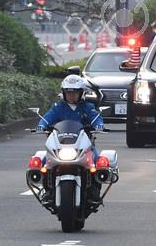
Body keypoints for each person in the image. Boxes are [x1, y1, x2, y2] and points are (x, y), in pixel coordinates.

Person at [37, 75, 105, 205]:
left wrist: (99, 125)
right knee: (45, 163)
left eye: (75, 92)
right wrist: (41, 125)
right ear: (63, 93)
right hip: (61, 144)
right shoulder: (58, 107)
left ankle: (95, 192)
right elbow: (48, 117)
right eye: (68, 92)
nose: (71, 95)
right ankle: (48, 191)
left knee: (97, 162)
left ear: (82, 93)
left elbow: (95, 117)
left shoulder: (87, 106)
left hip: (83, 145)